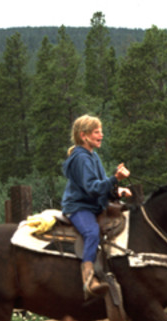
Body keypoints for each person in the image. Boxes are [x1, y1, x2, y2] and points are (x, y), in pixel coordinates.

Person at [61, 114, 132, 299]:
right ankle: (88, 279)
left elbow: (100, 187)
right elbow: (92, 188)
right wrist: (115, 179)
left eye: (101, 131)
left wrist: (117, 190)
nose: (101, 135)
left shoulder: (93, 156)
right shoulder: (81, 158)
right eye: (96, 132)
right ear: (84, 136)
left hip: (91, 205)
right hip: (79, 207)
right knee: (92, 232)